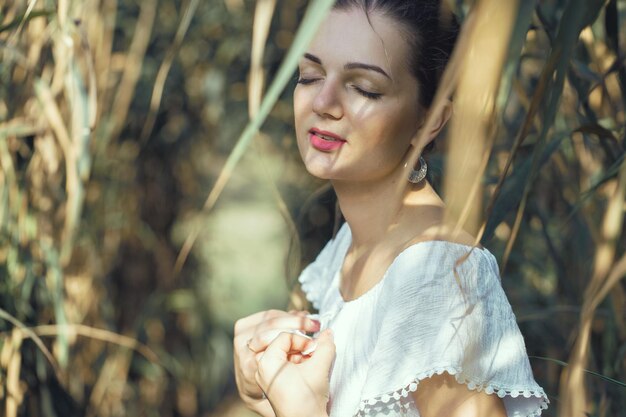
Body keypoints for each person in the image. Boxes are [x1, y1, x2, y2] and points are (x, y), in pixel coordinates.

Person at [233, 1, 550, 416]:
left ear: (430, 120)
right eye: (310, 76)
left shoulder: (435, 275)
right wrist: (261, 394)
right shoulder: (353, 244)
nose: (323, 102)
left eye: (364, 87)